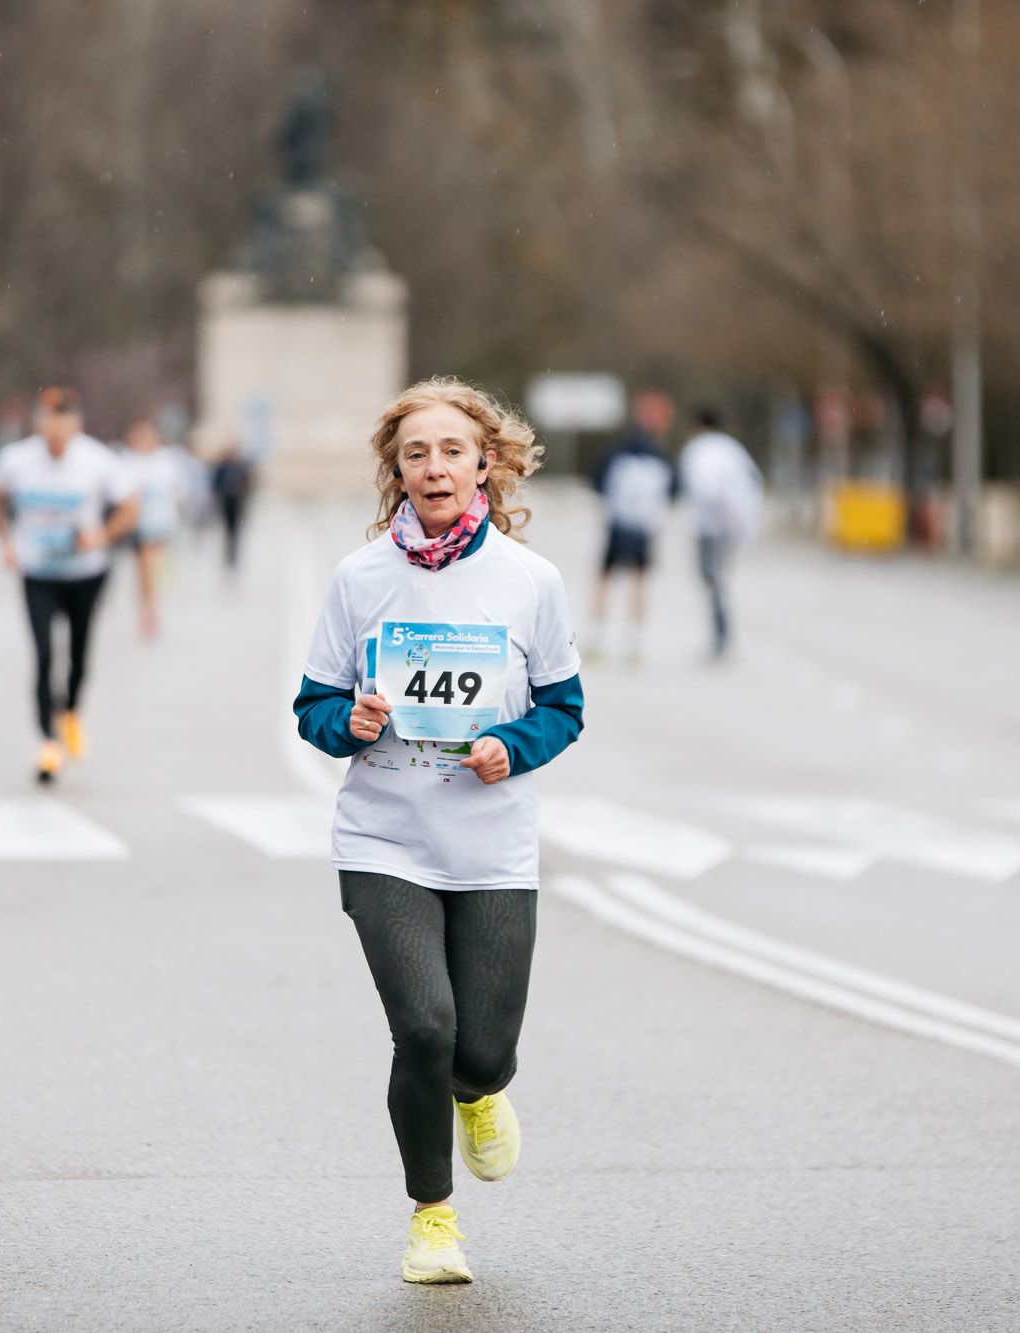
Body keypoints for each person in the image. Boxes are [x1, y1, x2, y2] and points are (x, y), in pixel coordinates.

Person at [292, 376, 584, 1285]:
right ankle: (433, 1218)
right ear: (397, 472)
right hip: (385, 840)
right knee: (423, 1026)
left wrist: (511, 743)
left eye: (453, 449)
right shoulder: (361, 575)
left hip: (492, 846)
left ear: (486, 464)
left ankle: (479, 1090)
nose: (435, 466)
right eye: (415, 452)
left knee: (481, 1046)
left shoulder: (530, 582)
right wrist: (351, 723)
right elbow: (313, 704)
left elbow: (565, 707)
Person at [0, 387, 139, 783]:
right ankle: (48, 742)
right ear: (39, 423)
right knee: (42, 656)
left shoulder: (97, 461)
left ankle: (70, 711)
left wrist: (102, 536)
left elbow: (130, 508)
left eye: (63, 424)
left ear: (76, 425)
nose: (55, 433)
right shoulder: (16, 460)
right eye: (48, 423)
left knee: (78, 657)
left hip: (85, 573)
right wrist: (5, 542)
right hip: (38, 573)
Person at [588, 389, 677, 664]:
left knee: (604, 579)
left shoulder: (618, 450)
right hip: (644, 527)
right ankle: (634, 641)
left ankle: (597, 637)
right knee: (639, 580)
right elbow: (673, 491)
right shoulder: (662, 455)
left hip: (618, 523)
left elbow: (598, 481)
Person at [678, 406, 763, 658]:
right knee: (718, 578)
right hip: (734, 525)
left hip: (711, 524)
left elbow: (707, 489)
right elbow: (753, 480)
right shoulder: (732, 448)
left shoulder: (698, 450)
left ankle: (721, 635)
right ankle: (721, 633)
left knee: (711, 578)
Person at [122, 417, 189, 640]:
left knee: (152, 564)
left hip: (160, 523)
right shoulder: (128, 461)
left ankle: (151, 608)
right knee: (141, 570)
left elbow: (179, 491)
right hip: (136, 523)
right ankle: (146, 605)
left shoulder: (167, 461)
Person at [209, 442, 253, 572]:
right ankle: (228, 556)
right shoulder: (223, 467)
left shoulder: (240, 466)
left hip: (237, 501)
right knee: (228, 530)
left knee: (236, 531)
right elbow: (216, 483)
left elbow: (247, 482)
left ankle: (233, 556)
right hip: (226, 500)